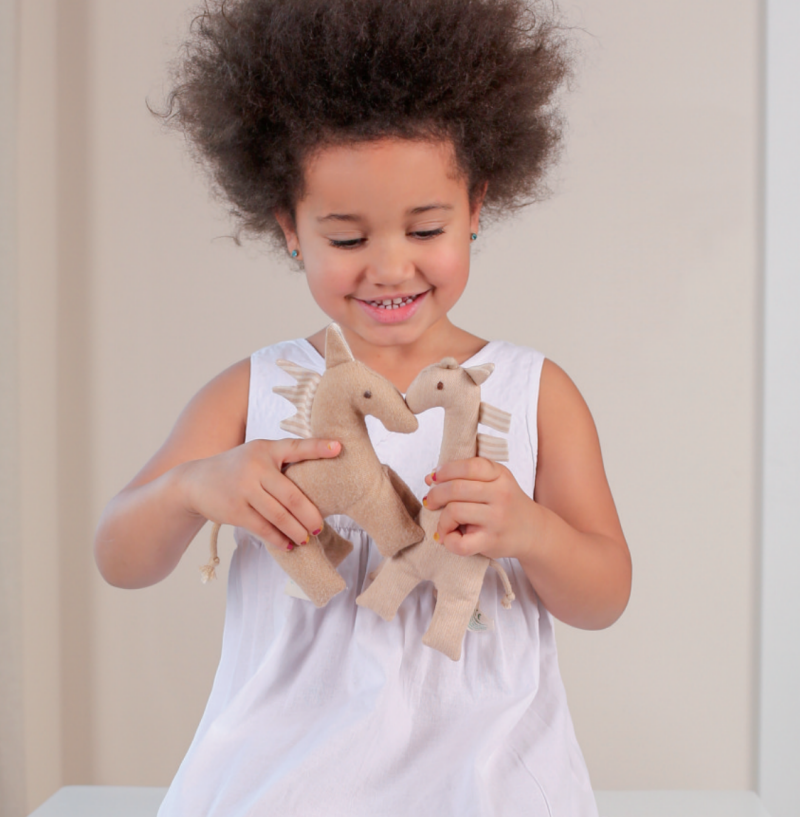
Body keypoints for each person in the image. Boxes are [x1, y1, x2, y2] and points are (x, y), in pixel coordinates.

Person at [94, 0, 631, 813]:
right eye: (347, 238)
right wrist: (194, 487)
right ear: (289, 226)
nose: (389, 267)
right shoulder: (253, 391)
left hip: (485, 780)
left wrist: (531, 530)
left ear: (477, 207)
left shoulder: (535, 391)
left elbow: (605, 594)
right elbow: (118, 556)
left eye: (426, 229)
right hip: (285, 779)